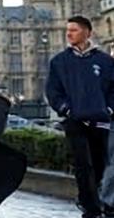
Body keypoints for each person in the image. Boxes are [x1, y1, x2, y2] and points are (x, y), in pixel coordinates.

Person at [46, 15, 114, 218]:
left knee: (100, 165)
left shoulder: (105, 61)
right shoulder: (59, 62)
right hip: (75, 121)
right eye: (67, 30)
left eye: (74, 30)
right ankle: (90, 208)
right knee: (83, 164)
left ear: (87, 33)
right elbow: (53, 91)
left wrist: (109, 108)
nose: (69, 34)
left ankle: (98, 201)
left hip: (100, 121)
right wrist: (66, 109)